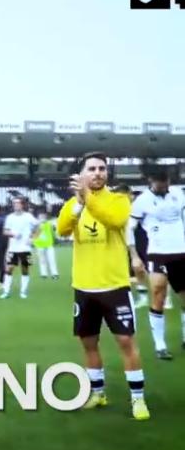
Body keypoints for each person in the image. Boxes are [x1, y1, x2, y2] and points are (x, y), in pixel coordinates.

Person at [57, 152, 149, 420]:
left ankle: (138, 399)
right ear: (81, 174)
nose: (98, 173)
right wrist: (78, 203)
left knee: (126, 342)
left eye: (102, 168)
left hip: (115, 286)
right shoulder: (73, 203)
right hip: (84, 287)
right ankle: (97, 392)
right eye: (92, 169)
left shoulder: (118, 200)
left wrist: (87, 197)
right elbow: (62, 229)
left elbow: (114, 220)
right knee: (89, 343)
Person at [128, 167, 185, 360]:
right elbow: (129, 228)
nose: (163, 186)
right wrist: (134, 256)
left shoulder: (178, 194)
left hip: (182, 252)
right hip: (158, 253)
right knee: (159, 293)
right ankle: (160, 345)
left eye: (166, 182)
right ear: (151, 181)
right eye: (159, 183)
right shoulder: (142, 201)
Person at [0, 197, 40, 299]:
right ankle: (6, 291)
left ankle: (23, 291)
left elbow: (38, 227)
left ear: (22, 205)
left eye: (18, 203)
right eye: (14, 203)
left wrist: (33, 238)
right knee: (9, 269)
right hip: (13, 248)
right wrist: (13, 234)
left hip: (25, 248)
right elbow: (5, 231)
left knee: (25, 269)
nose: (16, 205)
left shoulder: (28, 216)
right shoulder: (10, 217)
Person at [33, 210, 59, 280]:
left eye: (43, 216)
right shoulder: (36, 225)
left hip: (49, 244)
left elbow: (55, 229)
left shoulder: (49, 223)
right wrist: (39, 227)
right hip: (39, 245)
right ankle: (43, 274)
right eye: (41, 217)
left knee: (52, 259)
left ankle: (54, 273)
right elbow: (35, 235)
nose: (42, 218)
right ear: (38, 217)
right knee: (42, 260)